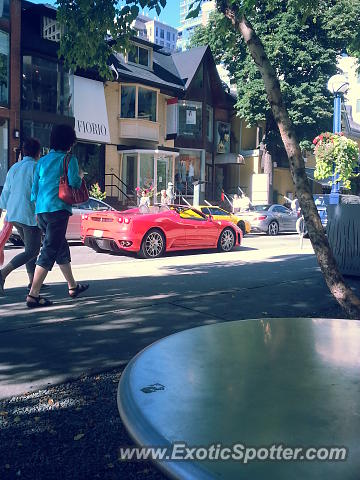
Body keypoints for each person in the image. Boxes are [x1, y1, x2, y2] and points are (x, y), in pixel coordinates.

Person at [26, 124, 89, 308]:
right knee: (49, 250)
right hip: (58, 210)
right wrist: (80, 176)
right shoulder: (70, 160)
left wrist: (37, 209)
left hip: (42, 211)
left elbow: (34, 190)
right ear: (69, 142)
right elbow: (75, 183)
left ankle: (73, 287)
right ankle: (33, 295)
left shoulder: (42, 161)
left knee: (60, 247)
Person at [0, 138, 43, 295]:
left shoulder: (14, 168)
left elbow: (6, 192)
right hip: (29, 214)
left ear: (24, 152)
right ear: (39, 152)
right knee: (32, 251)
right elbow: (39, 193)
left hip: (13, 213)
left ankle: (32, 282)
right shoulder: (37, 168)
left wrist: (2, 210)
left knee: (29, 249)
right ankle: (3, 274)